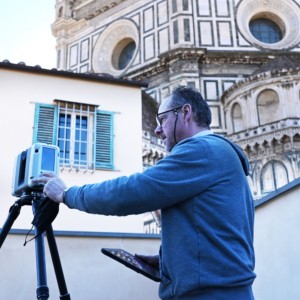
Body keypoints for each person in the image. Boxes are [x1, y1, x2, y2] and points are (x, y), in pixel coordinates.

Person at [36, 86, 256, 299]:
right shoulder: (218, 154)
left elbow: (130, 193)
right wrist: (169, 262)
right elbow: (211, 230)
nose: (158, 129)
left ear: (186, 112)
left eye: (163, 120)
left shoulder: (202, 150)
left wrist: (67, 194)